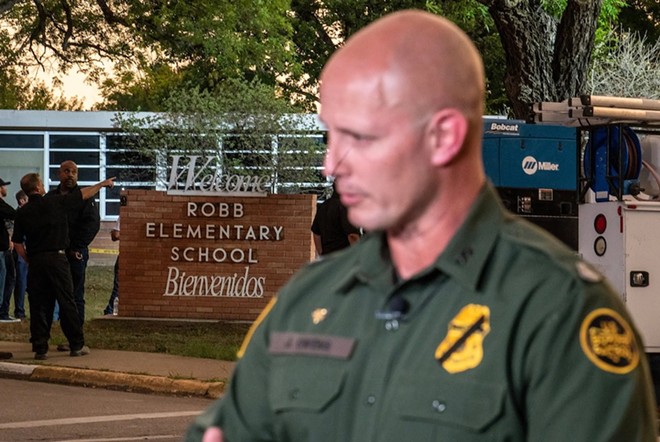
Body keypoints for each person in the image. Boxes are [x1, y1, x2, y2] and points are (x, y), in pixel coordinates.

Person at [186, 10, 657, 442]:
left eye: (359, 136)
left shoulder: (559, 312)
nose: (332, 164)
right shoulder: (308, 298)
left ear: (444, 136)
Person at [12, 173, 115, 360]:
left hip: (36, 262)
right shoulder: (55, 202)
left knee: (38, 305)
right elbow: (83, 194)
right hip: (57, 259)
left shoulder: (22, 212)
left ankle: (40, 347)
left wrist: (28, 259)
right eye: (41, 184)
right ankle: (76, 344)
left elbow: (18, 243)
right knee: (67, 301)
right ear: (38, 188)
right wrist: (101, 184)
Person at [48, 160, 101, 328]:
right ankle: (45, 334)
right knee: (51, 293)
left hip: (75, 254)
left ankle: (76, 336)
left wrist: (76, 247)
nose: (70, 174)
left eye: (74, 172)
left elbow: (92, 224)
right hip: (54, 254)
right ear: (59, 174)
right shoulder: (50, 198)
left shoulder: (85, 197)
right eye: (66, 171)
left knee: (75, 294)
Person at [311, 182, 361, 257]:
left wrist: (321, 253)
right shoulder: (346, 207)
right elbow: (352, 235)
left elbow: (316, 233)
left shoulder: (323, 206)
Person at [0, 177, 17, 323]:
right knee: (2, 279)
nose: (6, 189)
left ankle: (4, 311)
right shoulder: (0, 205)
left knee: (10, 277)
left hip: (5, 248)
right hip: (0, 249)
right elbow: (13, 213)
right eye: (4, 186)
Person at [10, 190, 28, 320]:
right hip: (21, 252)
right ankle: (19, 311)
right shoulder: (17, 216)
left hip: (29, 251)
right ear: (22, 201)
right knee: (21, 282)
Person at [103, 217, 120, 315]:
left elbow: (116, 234)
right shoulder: (125, 216)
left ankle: (110, 309)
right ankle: (110, 310)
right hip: (124, 256)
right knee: (119, 287)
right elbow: (115, 235)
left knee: (119, 286)